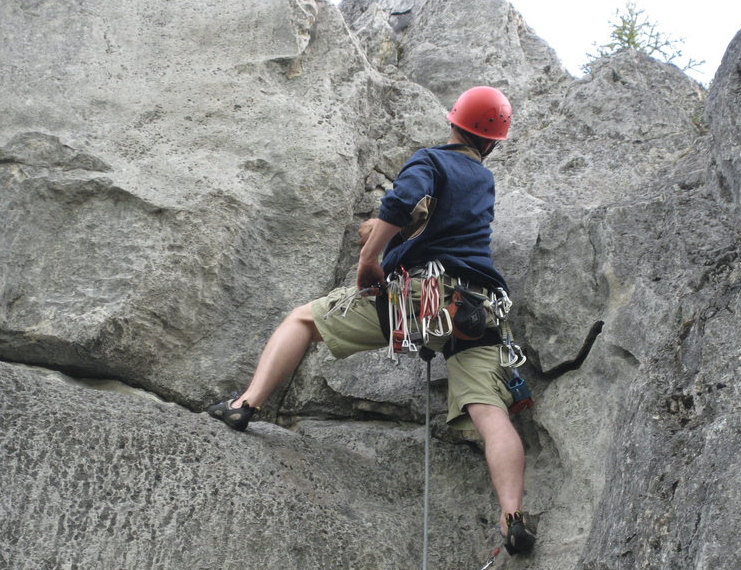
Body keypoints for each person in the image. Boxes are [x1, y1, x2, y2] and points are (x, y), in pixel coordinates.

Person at [208, 86, 536, 555]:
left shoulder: (433, 160)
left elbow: (402, 199)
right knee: (490, 412)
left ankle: (247, 403)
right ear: (493, 142)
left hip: (420, 294)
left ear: (454, 122)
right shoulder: (483, 181)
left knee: (302, 319)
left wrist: (370, 257)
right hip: (476, 306)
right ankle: (511, 516)